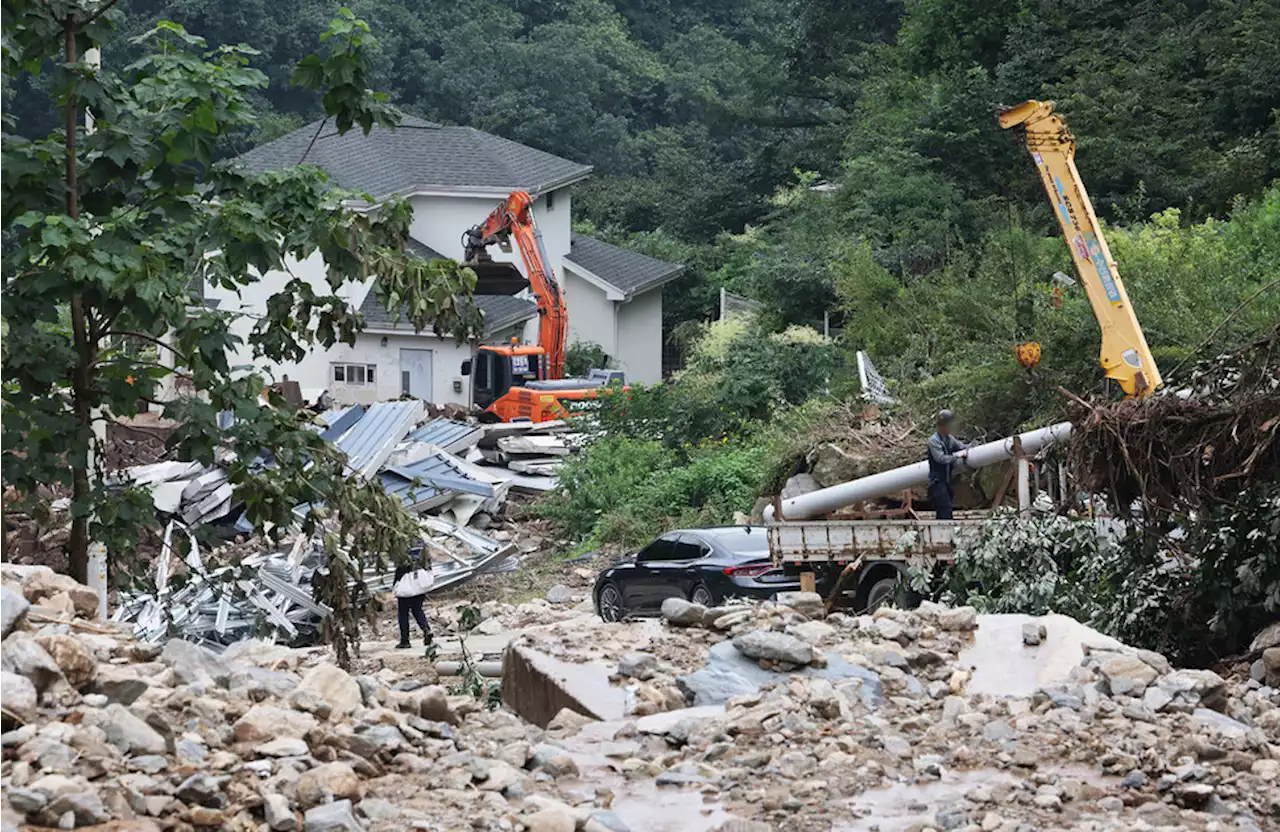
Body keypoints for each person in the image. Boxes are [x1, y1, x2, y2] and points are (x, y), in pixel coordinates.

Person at [926, 409, 969, 520]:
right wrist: (956, 457)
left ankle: (940, 534)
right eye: (949, 425)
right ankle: (947, 533)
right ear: (942, 426)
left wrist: (972, 447)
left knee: (944, 508)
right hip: (937, 482)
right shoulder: (934, 441)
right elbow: (940, 458)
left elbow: (961, 446)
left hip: (945, 481)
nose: (951, 428)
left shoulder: (949, 439)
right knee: (945, 508)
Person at [394, 552, 433, 649]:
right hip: (420, 582)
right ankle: (426, 629)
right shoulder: (421, 545)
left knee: (403, 613)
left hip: (405, 582)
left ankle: (405, 640)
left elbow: (399, 564)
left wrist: (395, 582)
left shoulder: (402, 546)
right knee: (417, 609)